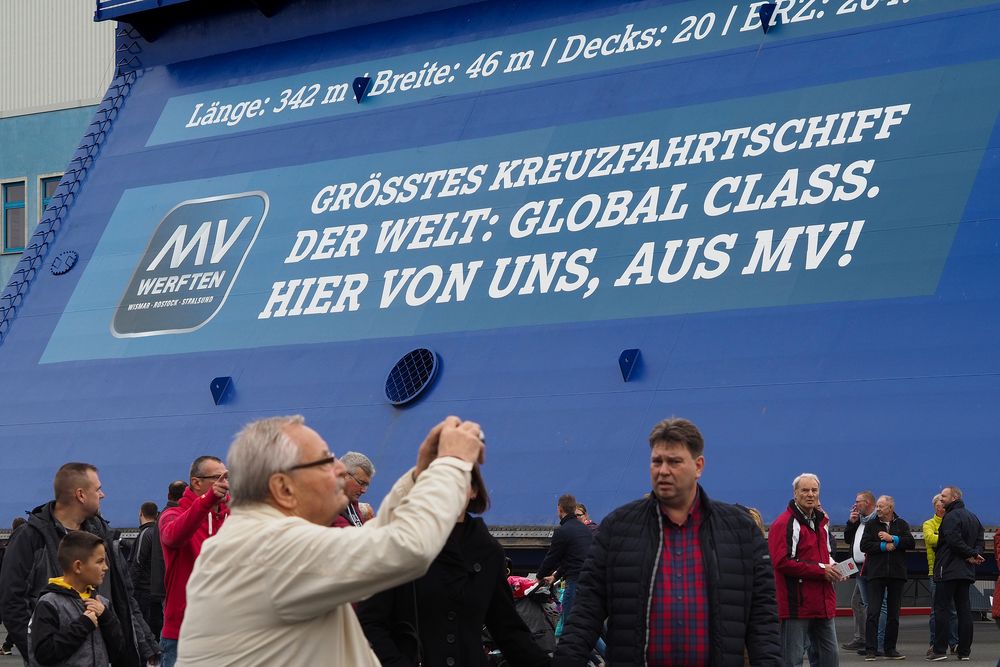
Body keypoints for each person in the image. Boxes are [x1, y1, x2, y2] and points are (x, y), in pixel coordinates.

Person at [175, 414, 485, 666]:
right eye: (326, 462)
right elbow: (407, 547)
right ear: (283, 488)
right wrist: (453, 464)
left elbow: (375, 538)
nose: (340, 470)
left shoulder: (253, 543)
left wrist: (421, 475)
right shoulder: (267, 551)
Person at [553, 417, 782, 666]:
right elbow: (585, 615)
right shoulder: (618, 530)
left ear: (698, 466)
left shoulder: (740, 533)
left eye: (674, 461)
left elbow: (763, 625)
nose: (663, 470)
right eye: (656, 461)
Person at [357, 464, 549, 667]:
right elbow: (371, 622)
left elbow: (507, 629)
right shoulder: (403, 544)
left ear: (473, 491)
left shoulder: (488, 551)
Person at [0, 463, 160, 666]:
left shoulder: (102, 534)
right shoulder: (31, 538)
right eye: (97, 489)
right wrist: (39, 655)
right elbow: (12, 603)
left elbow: (125, 598)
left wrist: (146, 645)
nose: (103, 494)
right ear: (81, 495)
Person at [158, 457, 230, 667]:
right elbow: (173, 536)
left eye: (227, 478)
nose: (225, 484)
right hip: (183, 636)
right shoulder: (171, 515)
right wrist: (207, 502)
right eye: (218, 478)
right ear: (197, 483)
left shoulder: (233, 518)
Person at [769, 473, 843, 667]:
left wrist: (834, 568)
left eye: (814, 490)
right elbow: (782, 562)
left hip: (823, 603)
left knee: (830, 658)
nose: (810, 494)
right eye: (805, 490)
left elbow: (826, 555)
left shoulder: (822, 524)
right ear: (795, 493)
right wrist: (822, 571)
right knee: (791, 661)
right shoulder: (784, 523)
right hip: (796, 606)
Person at [27, 531, 127, 667]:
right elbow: (44, 654)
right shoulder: (50, 603)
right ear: (78, 566)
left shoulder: (102, 603)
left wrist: (106, 617)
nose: (106, 567)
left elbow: (117, 650)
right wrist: (83, 625)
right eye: (100, 561)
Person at [928, 486, 985, 661]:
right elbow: (980, 539)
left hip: (948, 570)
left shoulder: (950, 517)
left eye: (944, 496)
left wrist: (971, 554)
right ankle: (964, 652)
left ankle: (939, 651)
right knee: (964, 610)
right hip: (966, 571)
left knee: (942, 609)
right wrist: (974, 553)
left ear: (954, 498)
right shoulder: (973, 517)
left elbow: (953, 541)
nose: (941, 499)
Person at [859, 495, 913, 660]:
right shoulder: (871, 524)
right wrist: (883, 546)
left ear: (890, 508)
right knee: (873, 612)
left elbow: (910, 542)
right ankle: (870, 649)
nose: (878, 509)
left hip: (897, 574)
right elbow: (864, 545)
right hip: (876, 574)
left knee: (893, 614)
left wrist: (893, 539)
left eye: (881, 506)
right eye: (877, 506)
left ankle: (890, 649)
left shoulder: (902, 524)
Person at [536, 493, 593, 636]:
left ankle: (588, 658)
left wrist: (539, 577)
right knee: (590, 627)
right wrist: (555, 577)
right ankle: (605, 657)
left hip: (575, 583)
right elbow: (573, 558)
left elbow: (552, 558)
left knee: (570, 626)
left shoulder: (562, 531)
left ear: (560, 509)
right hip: (590, 582)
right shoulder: (585, 530)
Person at [147, 481, 186, 641]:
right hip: (172, 585)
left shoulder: (163, 516)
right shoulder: (176, 517)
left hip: (162, 584)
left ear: (169, 495)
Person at [923, 493, 958, 656]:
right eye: (938, 505)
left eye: (942, 504)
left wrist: (947, 539)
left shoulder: (953, 521)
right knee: (935, 611)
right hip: (935, 572)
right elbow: (931, 539)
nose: (940, 507)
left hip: (951, 571)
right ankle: (934, 642)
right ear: (934, 507)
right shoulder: (928, 524)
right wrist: (949, 539)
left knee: (951, 610)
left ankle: (954, 642)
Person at [129, 501, 159, 639]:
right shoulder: (158, 532)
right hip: (157, 589)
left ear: (140, 513)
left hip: (143, 591)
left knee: (143, 628)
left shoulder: (145, 533)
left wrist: (129, 589)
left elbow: (138, 562)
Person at [332, 452, 376, 528]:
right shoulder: (327, 509)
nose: (363, 490)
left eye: (366, 485)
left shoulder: (351, 503)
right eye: (361, 483)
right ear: (344, 475)